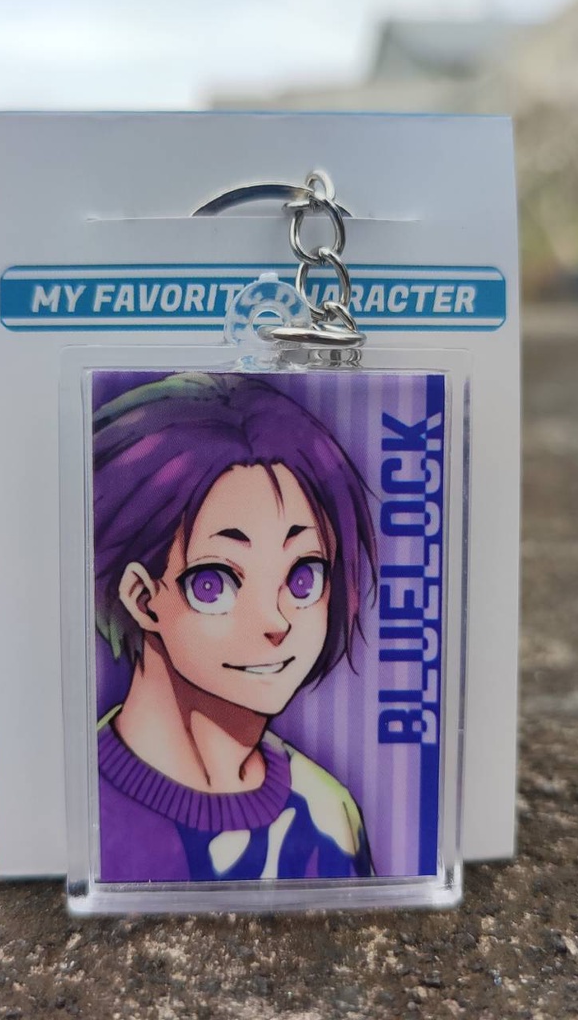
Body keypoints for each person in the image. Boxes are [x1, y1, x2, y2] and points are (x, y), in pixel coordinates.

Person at [92, 372, 377, 882]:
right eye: (214, 584)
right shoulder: (84, 807)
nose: (276, 621)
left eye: (304, 577)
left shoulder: (328, 815)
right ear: (142, 597)